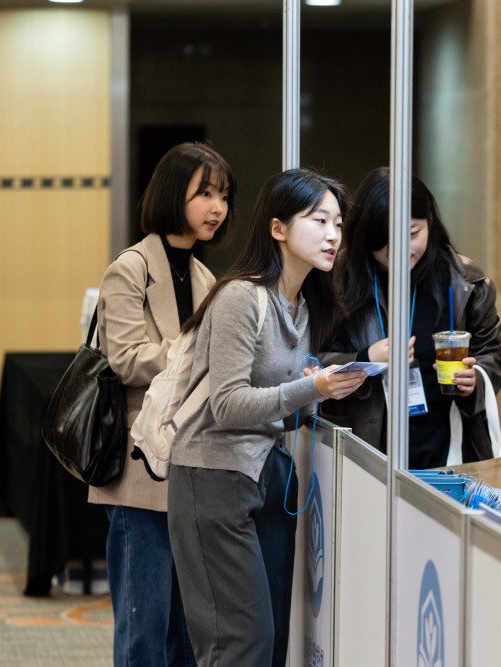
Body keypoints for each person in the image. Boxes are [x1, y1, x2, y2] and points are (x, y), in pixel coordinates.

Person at [166, 169, 367, 667]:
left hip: (268, 473)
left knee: (272, 641)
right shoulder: (240, 296)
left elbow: (281, 408)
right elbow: (228, 405)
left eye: (338, 224)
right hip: (214, 473)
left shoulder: (303, 306)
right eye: (319, 221)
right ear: (278, 228)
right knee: (241, 643)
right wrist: (312, 387)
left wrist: (319, 390)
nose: (333, 235)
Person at [89, 142, 235, 666]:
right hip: (138, 467)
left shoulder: (205, 277)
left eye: (223, 196)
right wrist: (195, 354)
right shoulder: (129, 268)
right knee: (143, 628)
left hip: (191, 466)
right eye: (205, 194)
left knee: (186, 635)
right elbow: (126, 359)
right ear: (174, 194)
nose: (217, 207)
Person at [322, 168, 501, 468]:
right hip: (367, 448)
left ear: (429, 223)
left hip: (447, 445)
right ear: (366, 234)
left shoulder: (465, 281)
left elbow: (495, 355)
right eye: (386, 238)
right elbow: (309, 362)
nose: (401, 249)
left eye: (412, 234)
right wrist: (365, 359)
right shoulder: (336, 279)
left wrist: (475, 379)